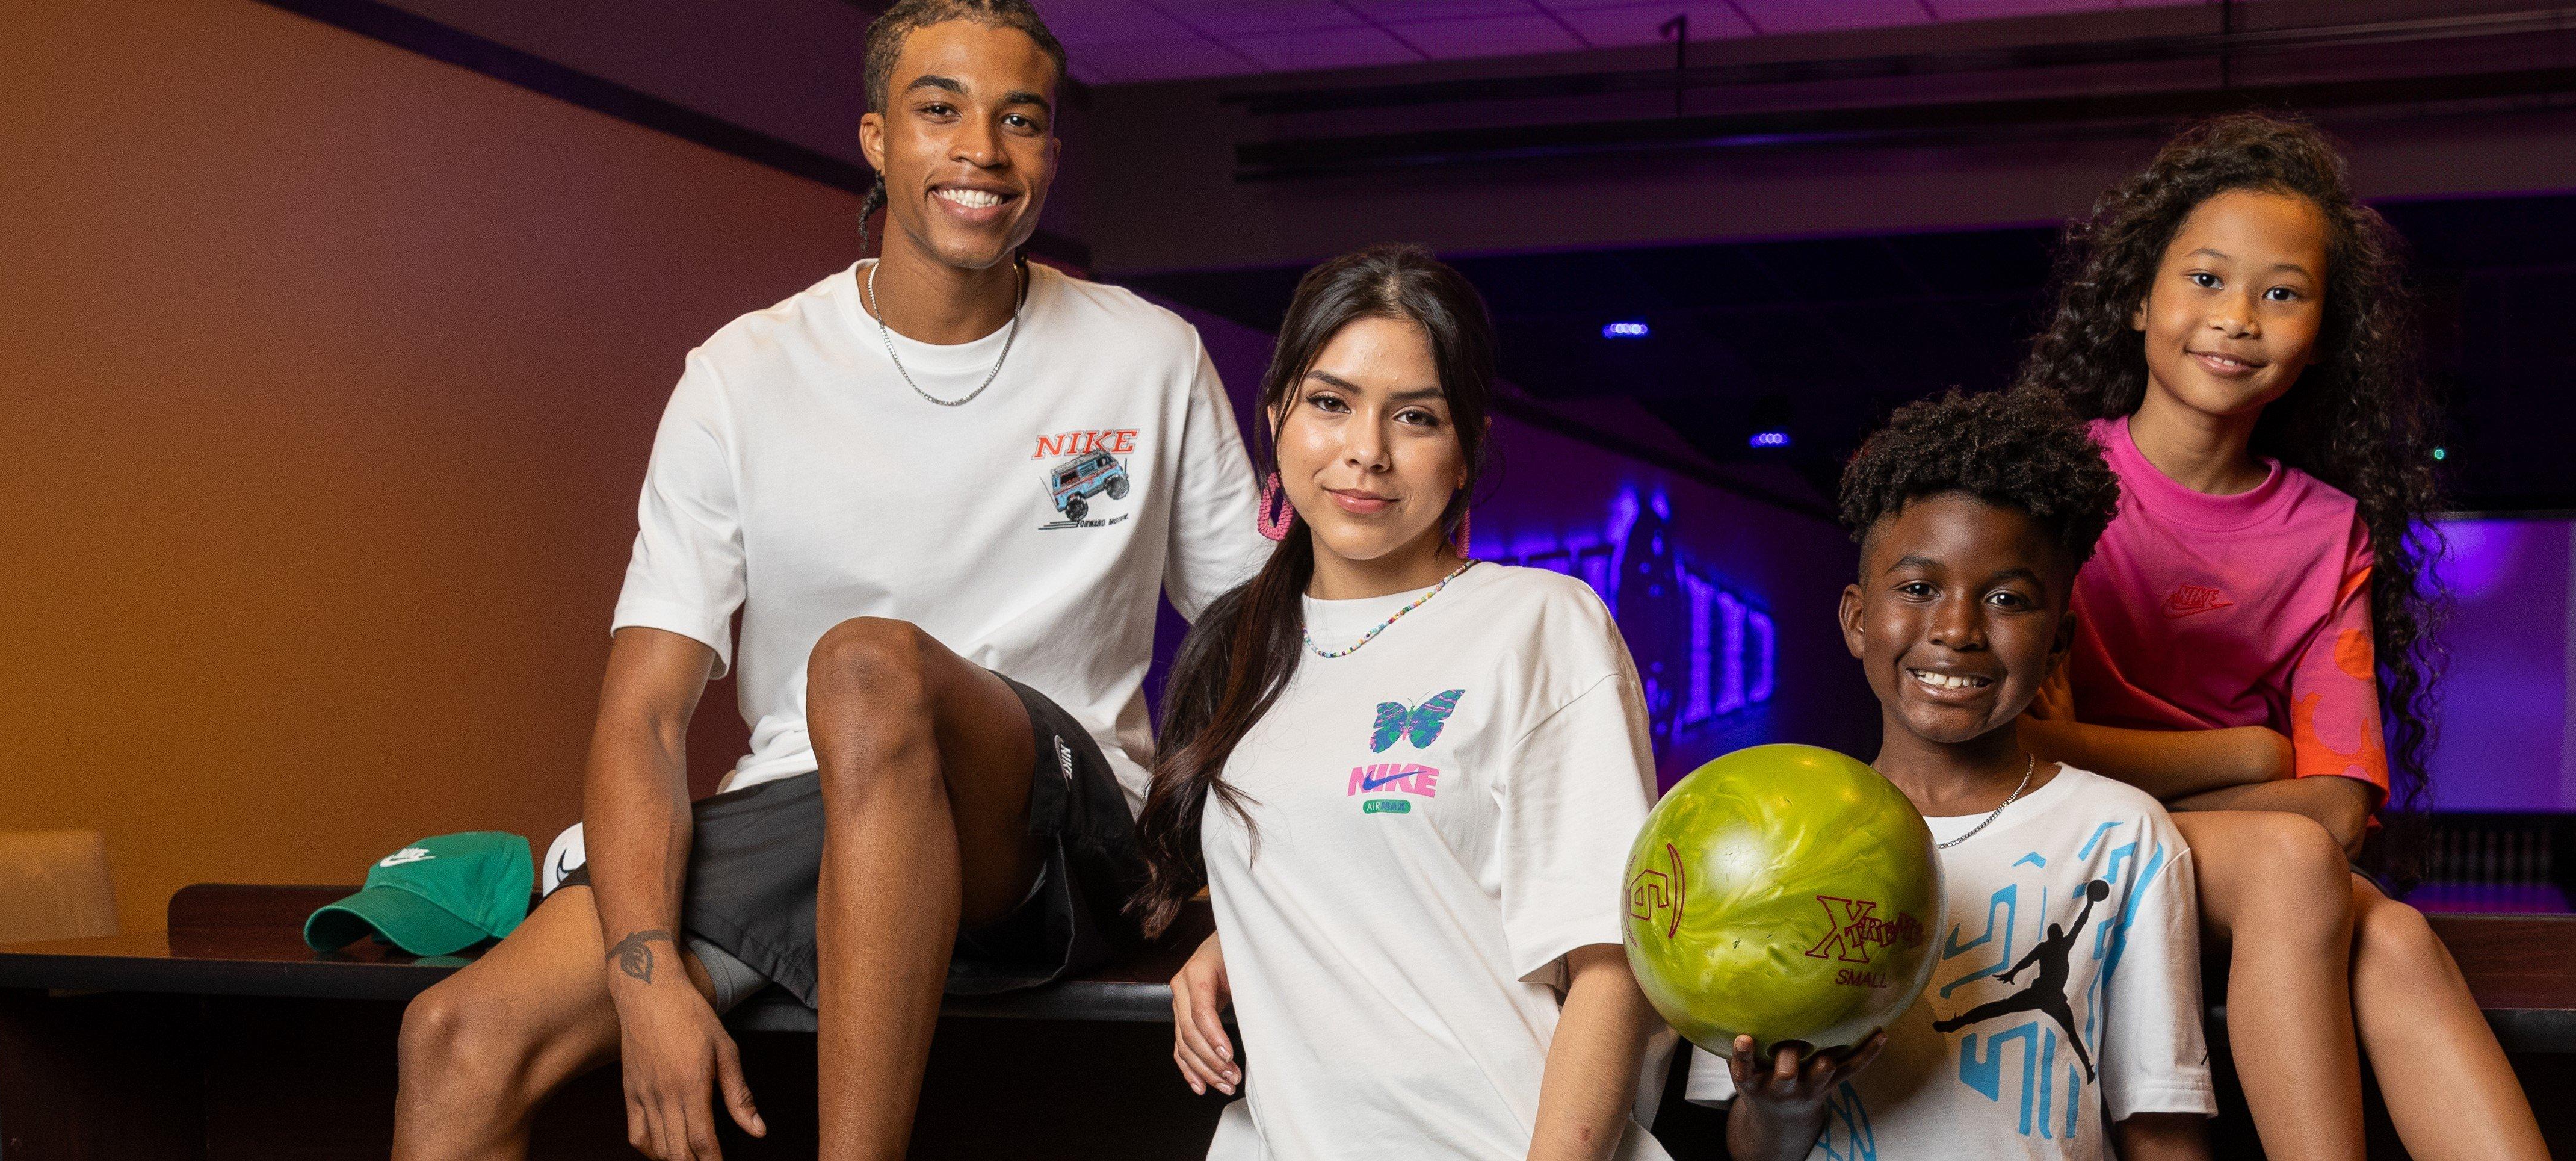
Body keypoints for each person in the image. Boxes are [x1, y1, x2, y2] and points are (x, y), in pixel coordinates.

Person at [386, 4, 1267, 1160]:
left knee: (865, 663)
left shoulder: (1145, 353)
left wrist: (1250, 904)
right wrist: (646, 984)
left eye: (1021, 120)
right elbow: (644, 715)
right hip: (816, 805)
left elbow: (1264, 652)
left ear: (1051, 152)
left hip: (1058, 824)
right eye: (938, 109)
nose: (981, 151)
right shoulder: (740, 374)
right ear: (874, 137)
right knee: (456, 1036)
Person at [2007, 114, 2547, 1160]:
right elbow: (2031, 756)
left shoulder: (2325, 528)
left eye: (2282, 292)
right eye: (2205, 278)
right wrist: (2249, 753)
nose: (2237, 318)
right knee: (2296, 860)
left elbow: (2341, 803)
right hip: (2054, 846)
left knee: (2391, 931)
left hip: (2230, 863)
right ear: (2136, 297)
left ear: (2320, 335)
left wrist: (2191, 779)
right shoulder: (2047, 486)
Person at [1135, 244, 1673, 1161]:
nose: (1366, 452)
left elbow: (1612, 966)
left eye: (1415, 417)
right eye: (1330, 403)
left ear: (1465, 449)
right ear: (1277, 417)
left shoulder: (1538, 623)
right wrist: (1242, 931)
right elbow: (1357, 860)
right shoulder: (1239, 647)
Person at [1700, 386, 2210, 1161]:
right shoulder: (1769, 839)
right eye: (1917, 588)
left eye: (2007, 598)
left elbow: (2160, 1122)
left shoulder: (2124, 833)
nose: (1958, 629)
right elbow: (1750, 1149)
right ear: (1857, 619)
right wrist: (1780, 1109)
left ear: (2059, 641)